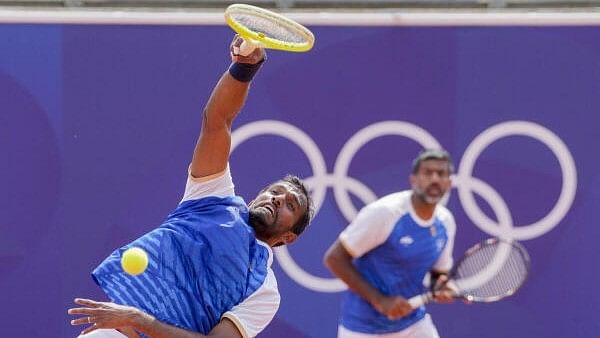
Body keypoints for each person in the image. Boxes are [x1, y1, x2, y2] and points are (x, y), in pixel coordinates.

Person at [68, 35, 313, 338]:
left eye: (290, 204)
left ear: (288, 237)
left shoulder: (264, 289)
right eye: (275, 191)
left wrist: (140, 319)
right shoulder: (213, 197)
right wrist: (244, 68)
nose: (277, 199)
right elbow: (217, 121)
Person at [324, 149, 457, 338]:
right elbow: (334, 259)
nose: (435, 179)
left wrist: (442, 285)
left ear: (449, 183)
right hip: (363, 328)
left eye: (441, 173)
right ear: (414, 180)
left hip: (414, 324)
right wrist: (380, 300)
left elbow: (438, 273)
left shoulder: (446, 222)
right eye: (428, 173)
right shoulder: (385, 213)